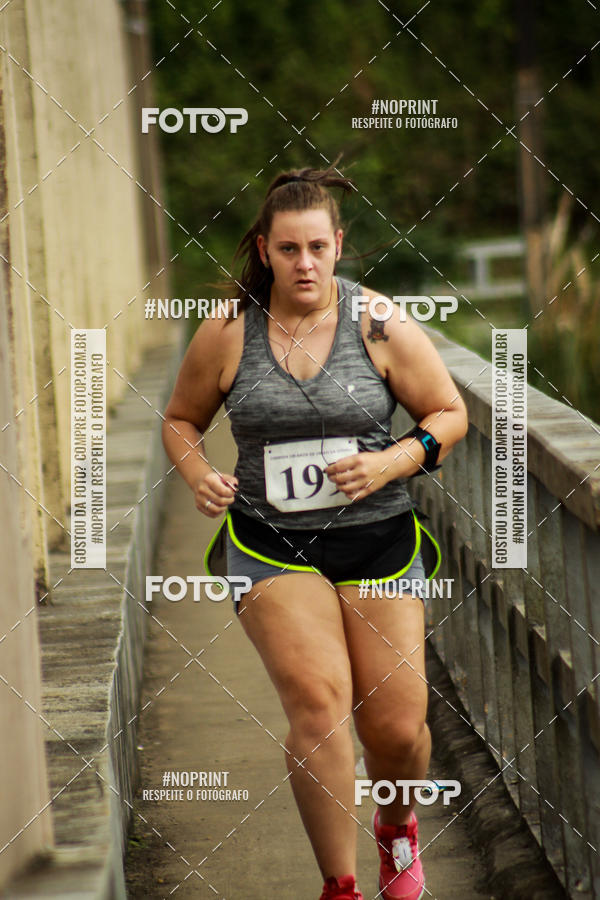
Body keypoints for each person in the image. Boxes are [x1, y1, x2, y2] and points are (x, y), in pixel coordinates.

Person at [162, 165, 468, 900]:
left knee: (398, 730)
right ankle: (341, 887)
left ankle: (396, 828)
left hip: (380, 543)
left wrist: (393, 461)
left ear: (339, 246)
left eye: (317, 249)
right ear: (264, 249)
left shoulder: (381, 324)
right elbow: (180, 420)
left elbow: (448, 414)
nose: (304, 264)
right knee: (319, 705)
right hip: (272, 544)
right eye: (289, 249)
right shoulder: (229, 331)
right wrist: (199, 471)